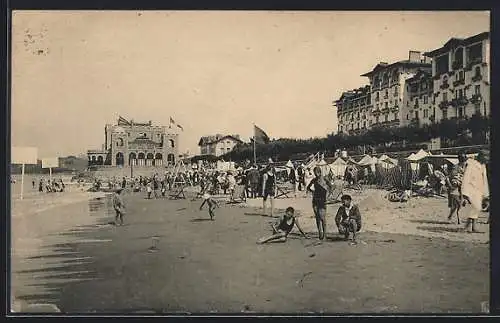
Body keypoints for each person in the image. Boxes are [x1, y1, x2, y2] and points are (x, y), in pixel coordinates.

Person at [307, 166, 334, 241]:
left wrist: (328, 195)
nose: (316, 175)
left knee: (322, 218)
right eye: (315, 173)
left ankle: (325, 235)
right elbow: (308, 187)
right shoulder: (314, 180)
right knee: (317, 218)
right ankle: (320, 233)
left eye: (316, 173)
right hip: (315, 200)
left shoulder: (324, 179)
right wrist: (312, 192)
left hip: (322, 200)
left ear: (319, 172)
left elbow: (331, 187)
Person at [447, 152, 468, 224]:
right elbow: (453, 178)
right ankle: (458, 220)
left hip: (463, 188)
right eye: (464, 160)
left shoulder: (466, 167)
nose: (465, 162)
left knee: (458, 205)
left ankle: (451, 216)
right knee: (457, 205)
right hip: (454, 188)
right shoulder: (455, 167)